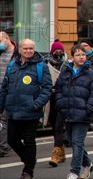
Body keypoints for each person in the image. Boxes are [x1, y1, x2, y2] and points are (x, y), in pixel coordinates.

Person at [0, 39, 53, 179]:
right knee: (11, 139)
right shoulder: (12, 65)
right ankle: (29, 159)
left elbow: (47, 89)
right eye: (26, 48)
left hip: (31, 112)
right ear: (20, 50)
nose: (28, 51)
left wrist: (36, 104)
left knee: (29, 140)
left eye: (31, 48)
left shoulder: (41, 66)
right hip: (12, 110)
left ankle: (28, 171)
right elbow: (4, 88)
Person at [55, 44, 93, 179]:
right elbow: (58, 89)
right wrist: (60, 104)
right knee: (71, 140)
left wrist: (88, 109)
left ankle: (74, 171)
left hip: (83, 114)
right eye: (78, 55)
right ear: (72, 57)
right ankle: (88, 164)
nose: (81, 57)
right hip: (68, 112)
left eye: (83, 55)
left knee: (77, 142)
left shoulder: (91, 73)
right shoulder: (65, 72)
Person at [46, 40, 67, 167]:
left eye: (60, 51)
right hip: (50, 100)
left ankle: (55, 154)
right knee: (54, 127)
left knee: (59, 126)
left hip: (63, 99)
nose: (58, 53)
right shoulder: (46, 64)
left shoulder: (67, 65)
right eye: (55, 51)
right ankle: (61, 151)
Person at [0, 31, 16, 157]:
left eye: (0, 41)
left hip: (10, 91)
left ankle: (4, 146)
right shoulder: (0, 53)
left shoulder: (17, 54)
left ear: (6, 39)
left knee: (5, 118)